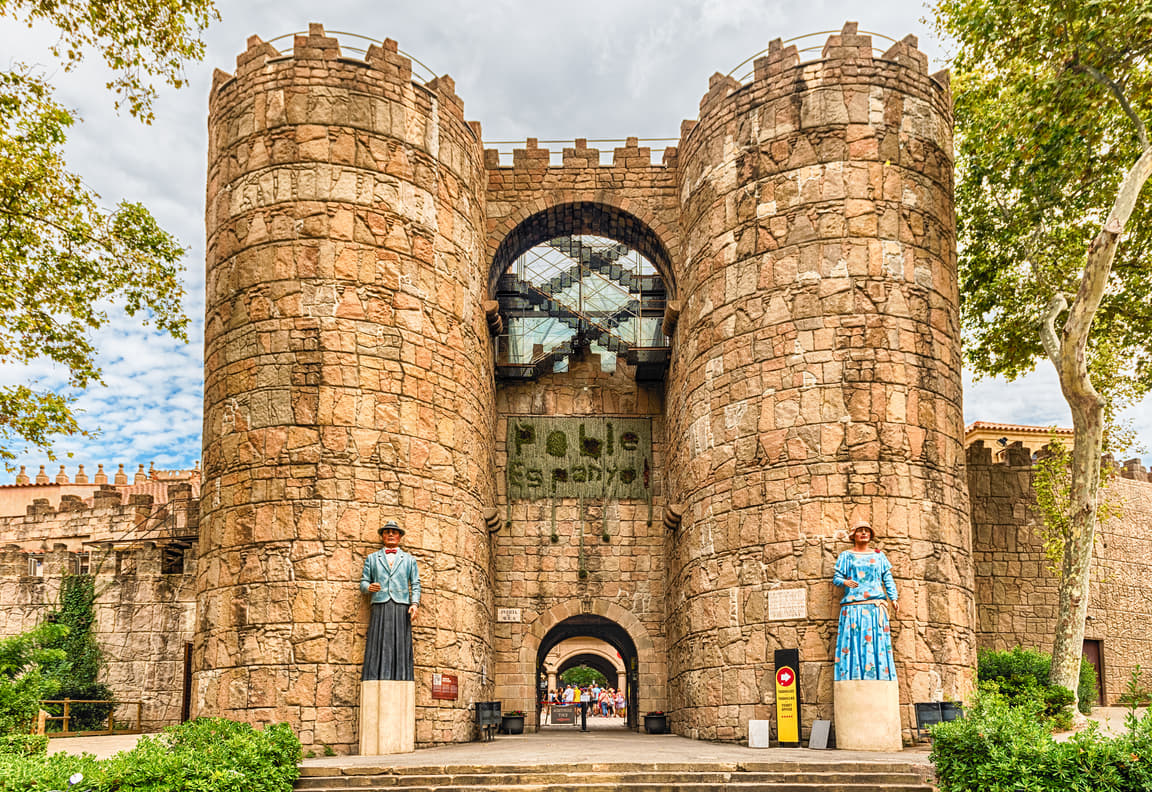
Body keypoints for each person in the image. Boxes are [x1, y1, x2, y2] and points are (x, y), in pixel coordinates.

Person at [832, 520, 898, 681]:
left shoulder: (878, 556)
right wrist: (845, 582)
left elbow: (887, 578)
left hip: (875, 609)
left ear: (870, 535)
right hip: (853, 608)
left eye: (866, 531)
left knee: (876, 646)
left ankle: (879, 681)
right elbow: (836, 578)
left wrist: (893, 597)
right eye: (860, 530)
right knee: (852, 645)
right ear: (854, 535)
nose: (863, 533)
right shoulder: (846, 556)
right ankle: (853, 681)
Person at [360, 520, 421, 681]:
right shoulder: (372, 559)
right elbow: (363, 582)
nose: (391, 534)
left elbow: (415, 583)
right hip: (380, 605)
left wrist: (414, 604)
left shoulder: (409, 560)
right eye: (387, 532)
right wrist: (368, 587)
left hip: (401, 606)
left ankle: (401, 677)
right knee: (377, 642)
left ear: (399, 536)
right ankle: (376, 676)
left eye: (394, 532)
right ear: (382, 536)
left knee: (400, 643)